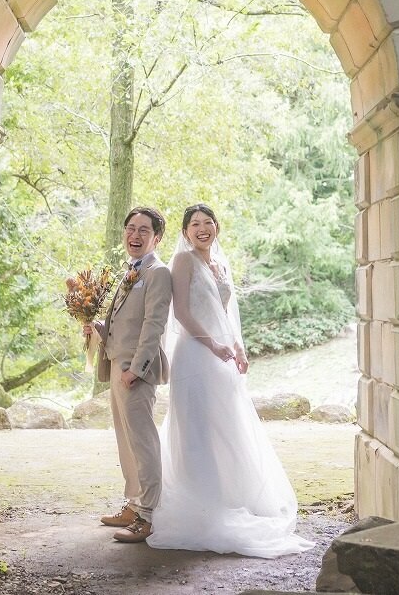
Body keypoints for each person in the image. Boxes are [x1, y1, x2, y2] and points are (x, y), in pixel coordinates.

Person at [146, 204, 312, 558]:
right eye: (195, 224)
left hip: (222, 355)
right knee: (197, 427)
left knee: (228, 423)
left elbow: (225, 313)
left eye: (208, 223)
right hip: (194, 353)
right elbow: (183, 314)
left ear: (217, 227)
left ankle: (232, 496)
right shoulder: (184, 261)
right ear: (185, 232)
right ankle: (202, 501)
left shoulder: (220, 264)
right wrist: (213, 345)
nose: (202, 229)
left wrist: (238, 348)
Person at [84, 206, 172, 543]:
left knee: (143, 442)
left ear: (157, 237)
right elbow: (122, 322)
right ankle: (133, 504)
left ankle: (148, 515)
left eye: (143, 231)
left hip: (135, 371)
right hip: (117, 365)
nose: (135, 236)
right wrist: (97, 328)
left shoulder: (158, 272)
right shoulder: (130, 271)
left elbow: (153, 325)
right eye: (130, 229)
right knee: (125, 442)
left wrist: (137, 369)